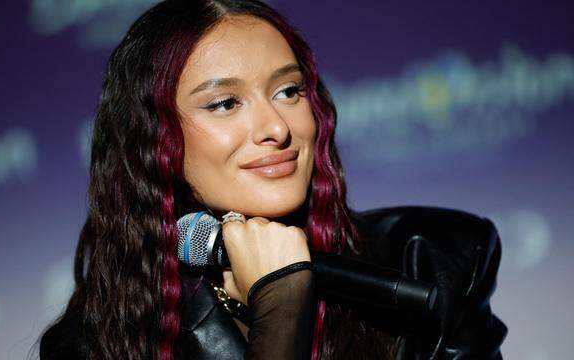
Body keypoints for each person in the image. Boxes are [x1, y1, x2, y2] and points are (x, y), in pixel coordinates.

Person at [37, 0, 507, 359]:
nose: (277, 128)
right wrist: (282, 303)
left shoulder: (434, 258)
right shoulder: (93, 344)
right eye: (225, 103)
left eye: (288, 91)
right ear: (155, 139)